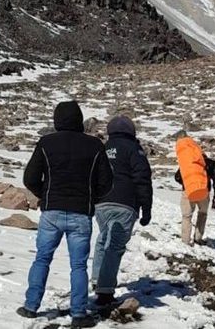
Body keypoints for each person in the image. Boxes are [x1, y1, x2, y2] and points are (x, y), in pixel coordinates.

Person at [18, 101, 113, 329]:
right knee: (78, 266)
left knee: (42, 258)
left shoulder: (46, 143)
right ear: (79, 120)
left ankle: (31, 306)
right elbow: (107, 182)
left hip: (52, 211)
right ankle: (79, 314)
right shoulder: (95, 145)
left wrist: (46, 195)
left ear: (57, 120)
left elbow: (30, 178)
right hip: (81, 213)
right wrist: (91, 199)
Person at [92, 116, 153, 306]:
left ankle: (97, 278)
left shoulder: (103, 148)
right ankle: (105, 290)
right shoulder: (134, 149)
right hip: (125, 202)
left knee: (103, 238)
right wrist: (146, 209)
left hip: (101, 202)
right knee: (115, 245)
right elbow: (142, 179)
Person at [174, 130, 215, 245]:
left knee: (186, 216)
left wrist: (187, 183)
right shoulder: (210, 163)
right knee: (202, 214)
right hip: (204, 192)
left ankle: (185, 241)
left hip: (188, 191)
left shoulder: (188, 164)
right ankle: (198, 238)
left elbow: (177, 177)